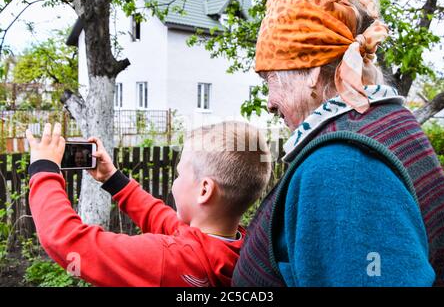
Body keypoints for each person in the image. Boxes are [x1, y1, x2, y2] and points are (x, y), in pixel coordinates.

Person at [232, 0, 444, 287]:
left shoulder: (343, 166)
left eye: (270, 78)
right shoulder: (384, 122)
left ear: (310, 69)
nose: (269, 100)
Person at [25, 121, 271, 287]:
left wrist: (43, 169)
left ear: (204, 190)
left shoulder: (167, 260)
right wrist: (113, 180)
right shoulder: (241, 246)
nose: (175, 183)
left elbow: (68, 241)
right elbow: (162, 219)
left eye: (178, 175)